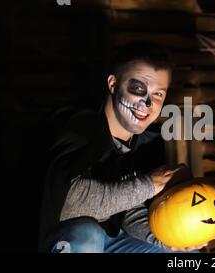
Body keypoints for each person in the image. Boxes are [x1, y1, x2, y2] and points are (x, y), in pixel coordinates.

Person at [39, 41, 205, 253]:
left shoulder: (146, 142)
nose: (147, 103)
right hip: (64, 239)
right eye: (138, 88)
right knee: (88, 234)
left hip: (112, 239)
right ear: (113, 84)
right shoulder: (78, 128)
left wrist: (168, 240)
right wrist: (147, 185)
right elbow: (68, 204)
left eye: (158, 95)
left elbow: (128, 210)